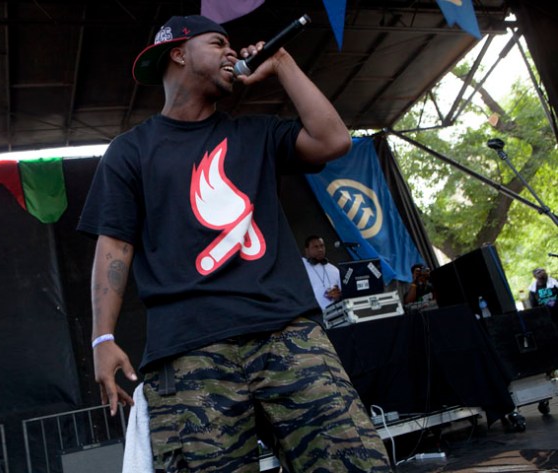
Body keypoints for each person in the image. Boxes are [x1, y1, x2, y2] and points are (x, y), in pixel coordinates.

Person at [78, 14, 391, 472]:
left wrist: (281, 62)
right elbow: (114, 248)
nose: (231, 51)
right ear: (179, 53)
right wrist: (102, 337)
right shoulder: (131, 151)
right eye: (217, 42)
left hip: (286, 333)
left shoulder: (257, 133)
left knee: (355, 463)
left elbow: (333, 140)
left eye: (232, 46)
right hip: (188, 351)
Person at [302, 235, 342, 310]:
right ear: (307, 250)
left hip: (333, 312)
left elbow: (342, 292)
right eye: (315, 247)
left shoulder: (334, 270)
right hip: (311, 312)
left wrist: (338, 295)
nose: (320, 249)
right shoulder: (300, 266)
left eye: (322, 246)